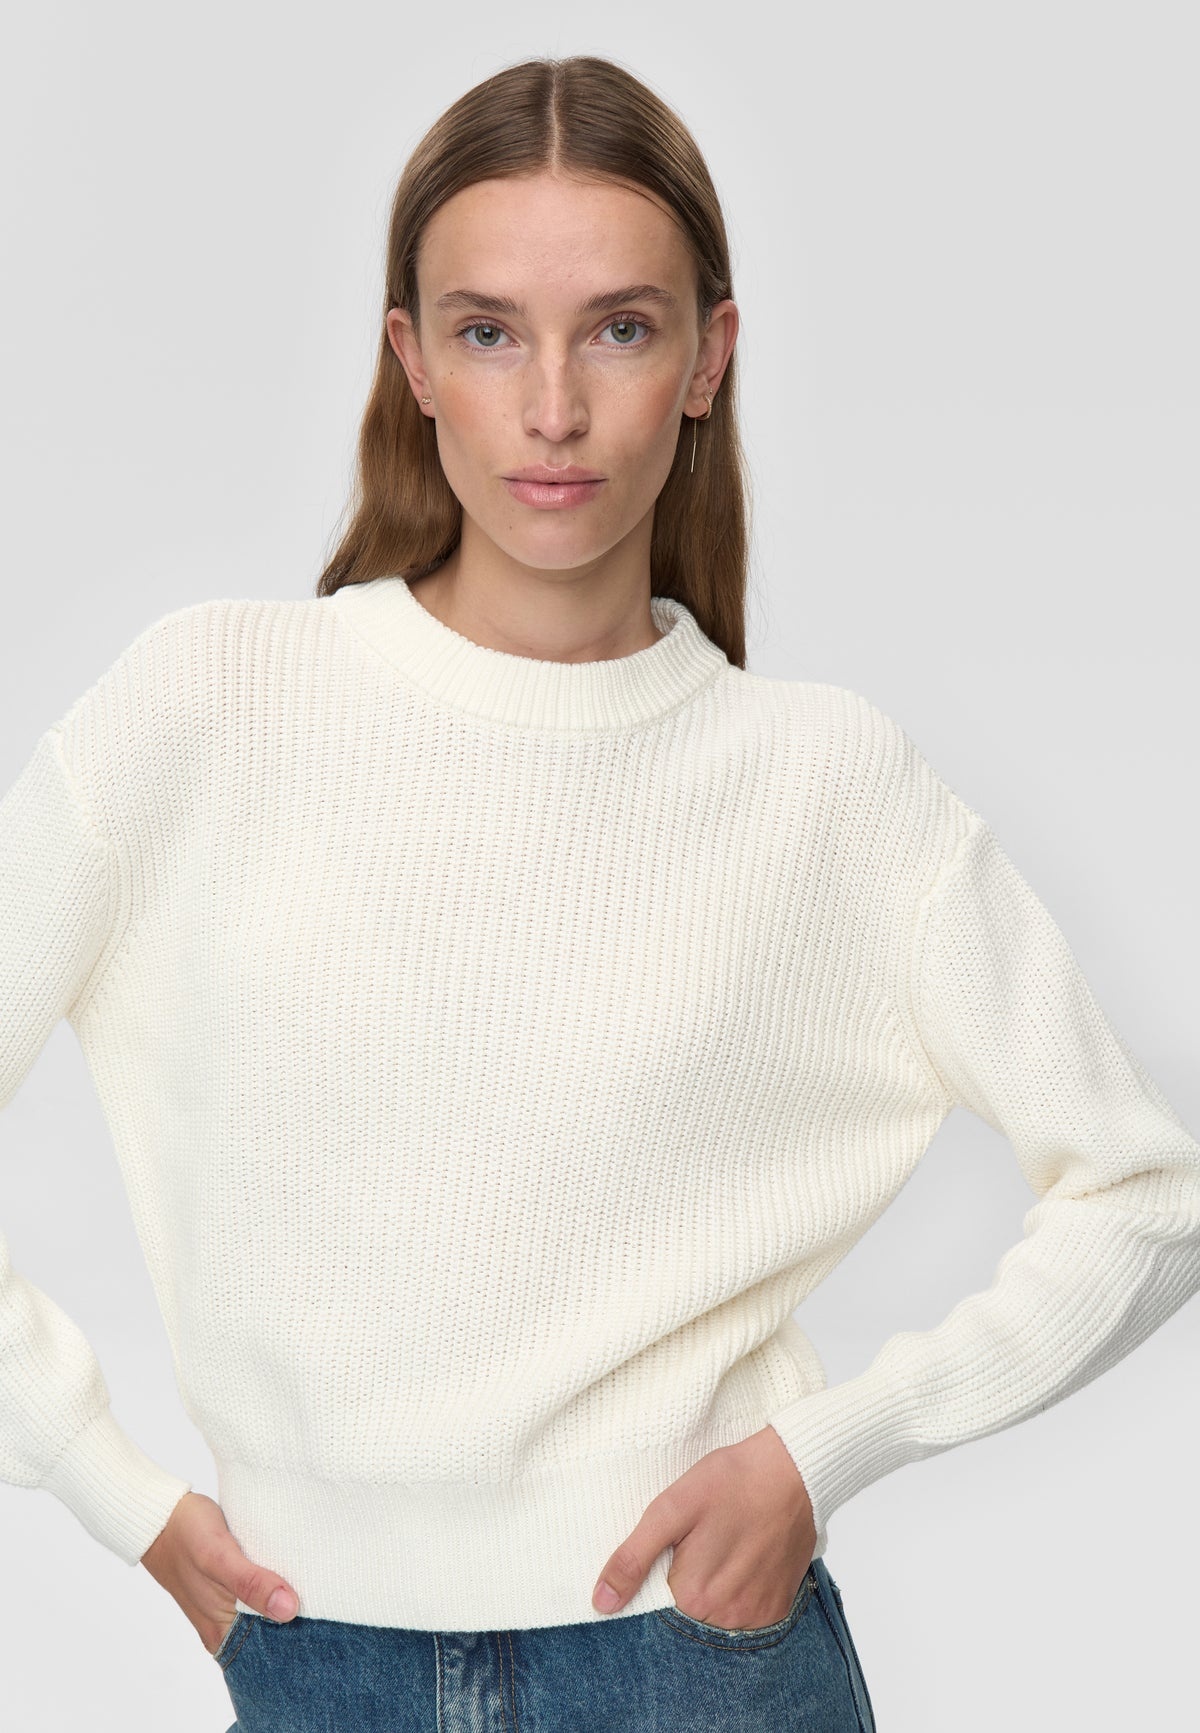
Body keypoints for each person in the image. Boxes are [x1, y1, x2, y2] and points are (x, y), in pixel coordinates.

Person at [1, 53, 1197, 1733]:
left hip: (690, 1663)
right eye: (490, 332)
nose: (552, 407)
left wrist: (824, 1452)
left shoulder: (825, 786)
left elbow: (1148, 1192)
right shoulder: (205, 709)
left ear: (708, 358)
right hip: (315, 1650)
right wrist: (101, 1479)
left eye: (620, 329)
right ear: (412, 361)